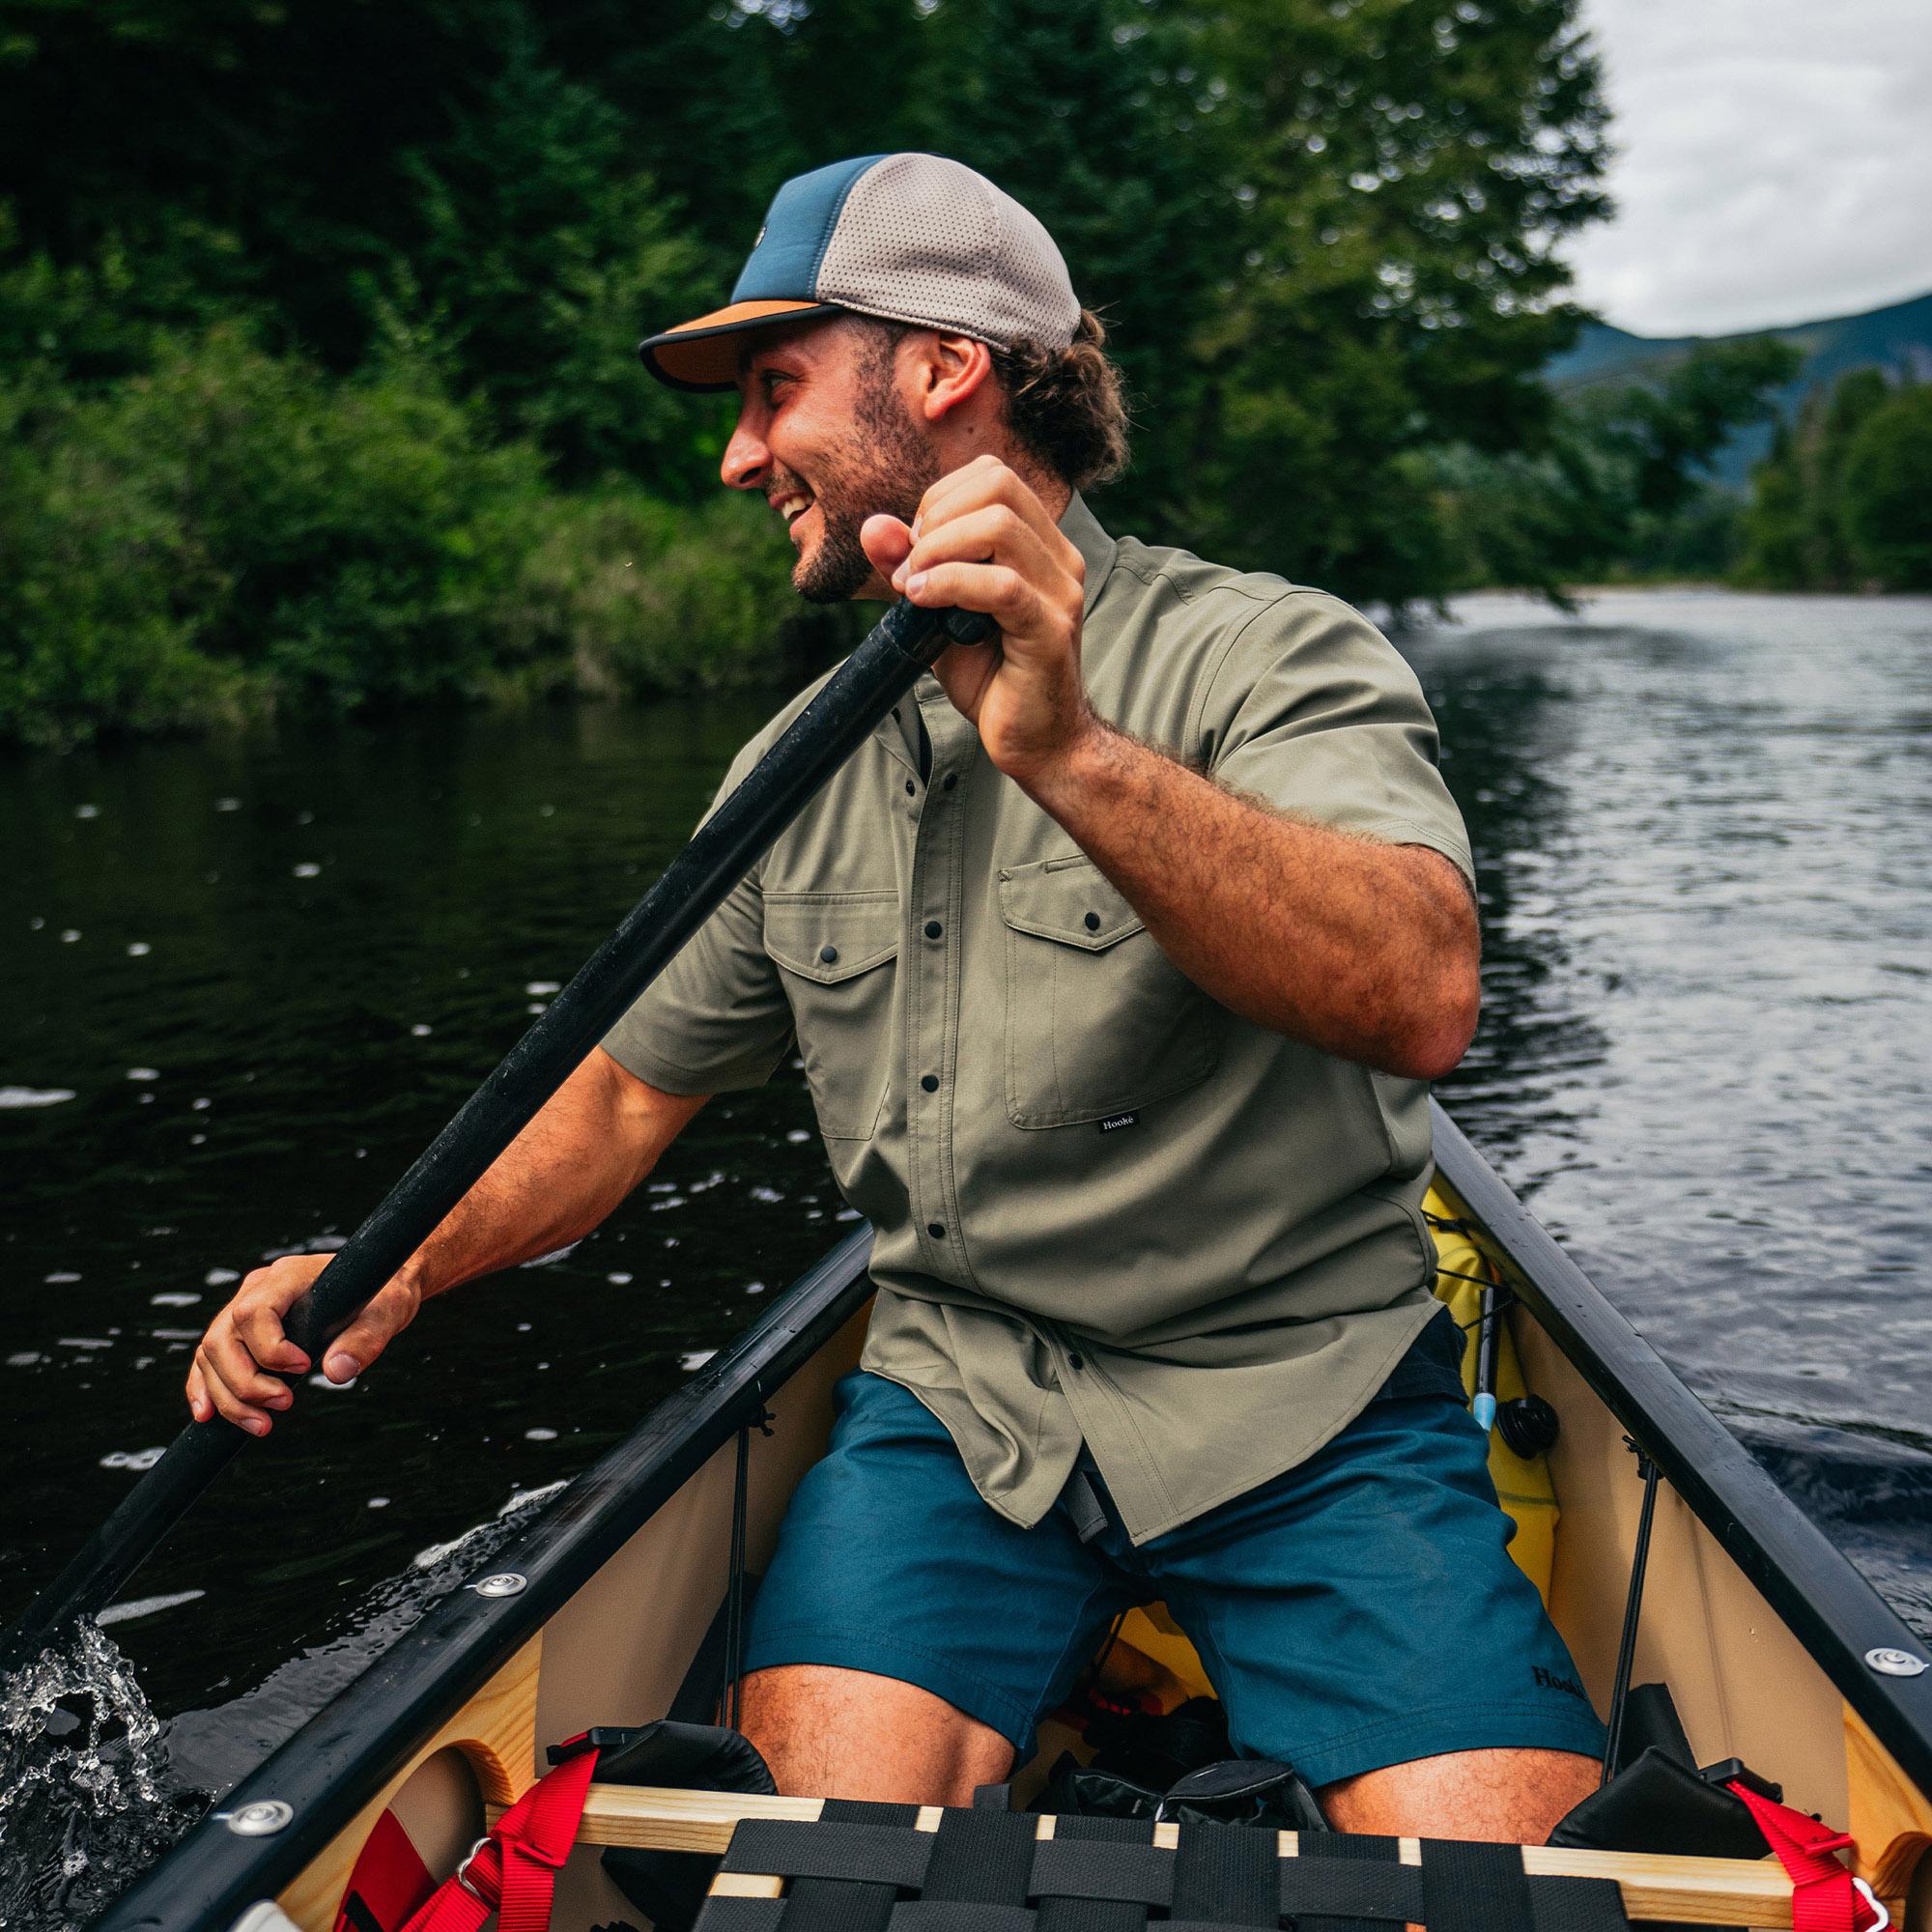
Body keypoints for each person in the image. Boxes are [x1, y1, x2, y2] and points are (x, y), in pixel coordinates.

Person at [185, 153, 1604, 1839]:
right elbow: (624, 1092)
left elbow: (1421, 994)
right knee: (819, 1870)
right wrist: (396, 1264)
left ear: (943, 368)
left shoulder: (1272, 653)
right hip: (958, 1412)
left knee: (1494, 1879)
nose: (737, 457)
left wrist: (1070, 754)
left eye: (774, 389)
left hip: (1306, 1403)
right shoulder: (794, 766)